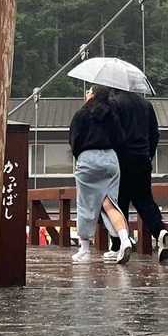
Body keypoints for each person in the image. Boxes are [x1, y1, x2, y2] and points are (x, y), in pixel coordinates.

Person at [69, 86, 133, 264]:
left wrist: (81, 155)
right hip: (110, 160)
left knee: (85, 204)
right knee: (110, 204)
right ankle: (124, 240)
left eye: (89, 91)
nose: (86, 94)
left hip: (88, 160)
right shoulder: (112, 115)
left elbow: (74, 139)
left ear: (94, 95)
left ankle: (84, 250)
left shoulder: (81, 114)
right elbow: (120, 139)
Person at [109, 86, 168, 263]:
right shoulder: (145, 104)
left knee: (118, 202)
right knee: (145, 200)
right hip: (142, 160)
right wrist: (148, 154)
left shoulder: (113, 103)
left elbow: (111, 133)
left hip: (121, 160)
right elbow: (155, 134)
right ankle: (160, 231)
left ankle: (119, 244)